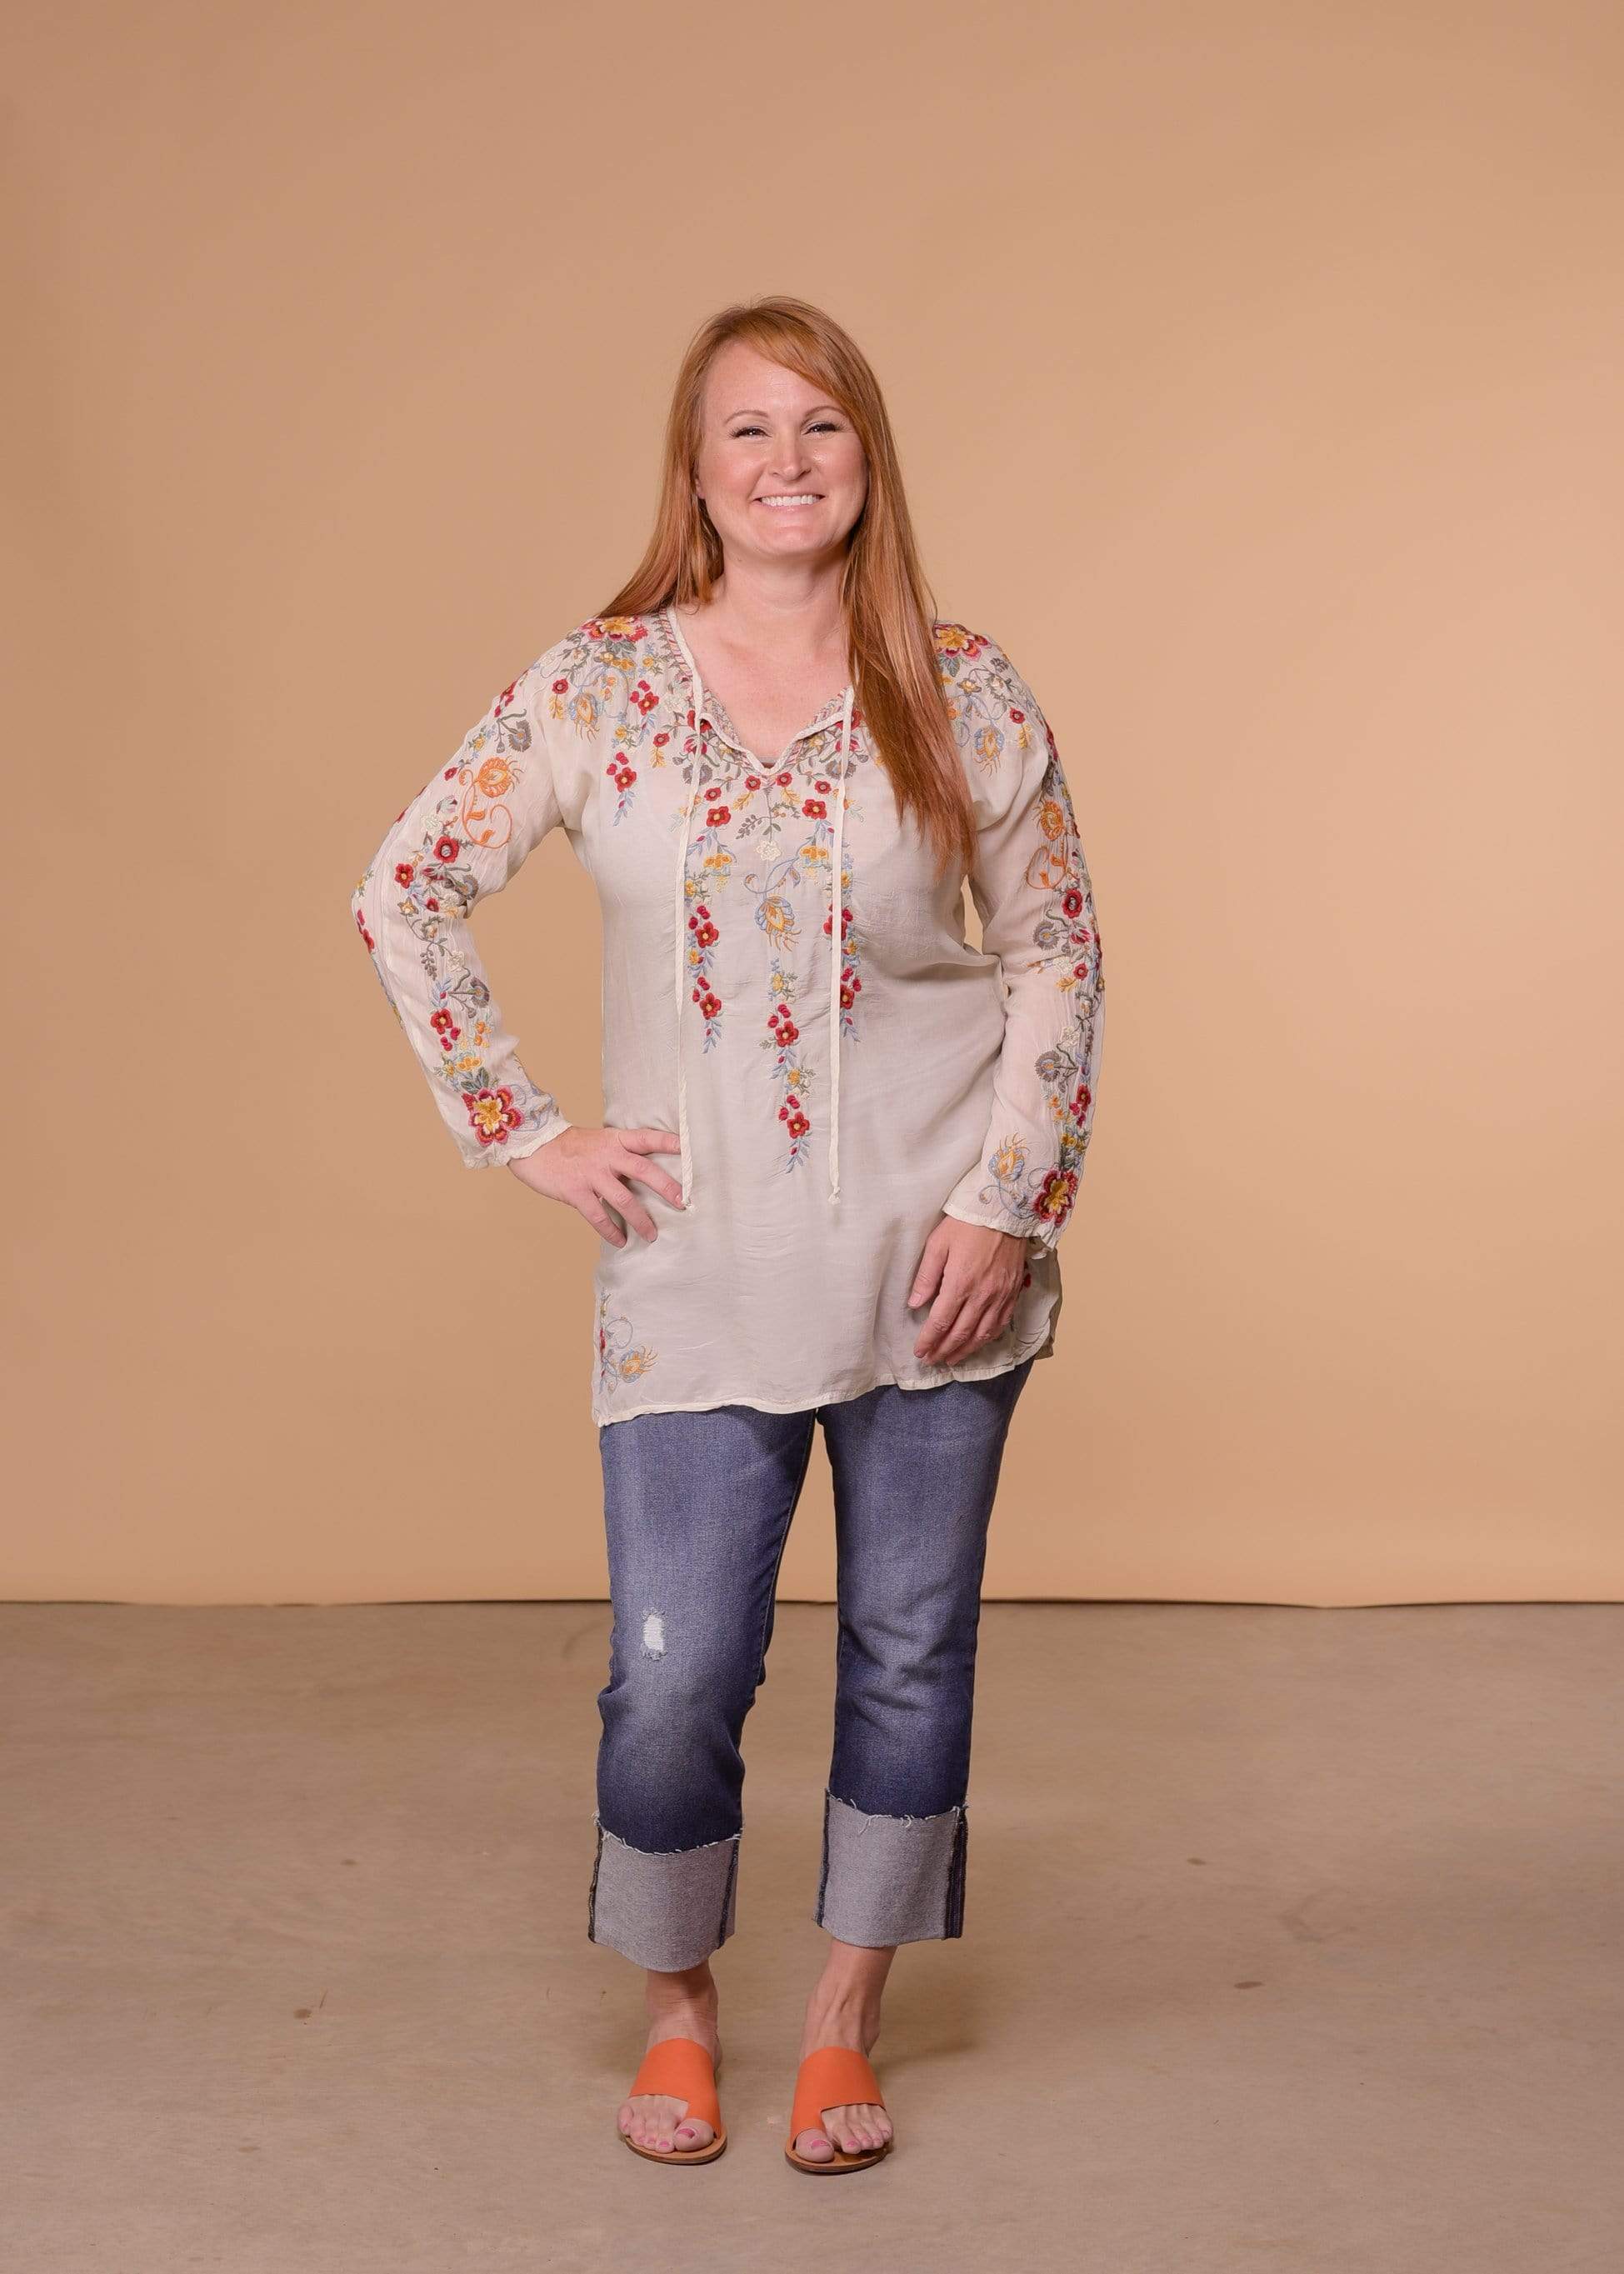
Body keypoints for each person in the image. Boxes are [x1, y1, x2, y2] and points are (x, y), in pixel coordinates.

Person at [348, 295, 1105, 2172]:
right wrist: (522, 1128)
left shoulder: (962, 686)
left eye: (821, 426)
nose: (787, 462)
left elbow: (1055, 952)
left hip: (934, 1260)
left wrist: (1005, 1201)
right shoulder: (598, 687)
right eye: (749, 430)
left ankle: (844, 2018)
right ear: (694, 472)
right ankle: (680, 2005)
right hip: (693, 1273)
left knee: (909, 1646)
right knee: (676, 1668)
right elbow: (406, 886)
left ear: (869, 459)